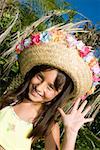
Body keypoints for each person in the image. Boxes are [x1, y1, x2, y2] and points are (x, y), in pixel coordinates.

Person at [0, 16, 99, 150]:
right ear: (32, 74)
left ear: (59, 95)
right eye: (40, 77)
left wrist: (71, 132)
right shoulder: (9, 101)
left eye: (51, 87)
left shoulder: (47, 125)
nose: (40, 87)